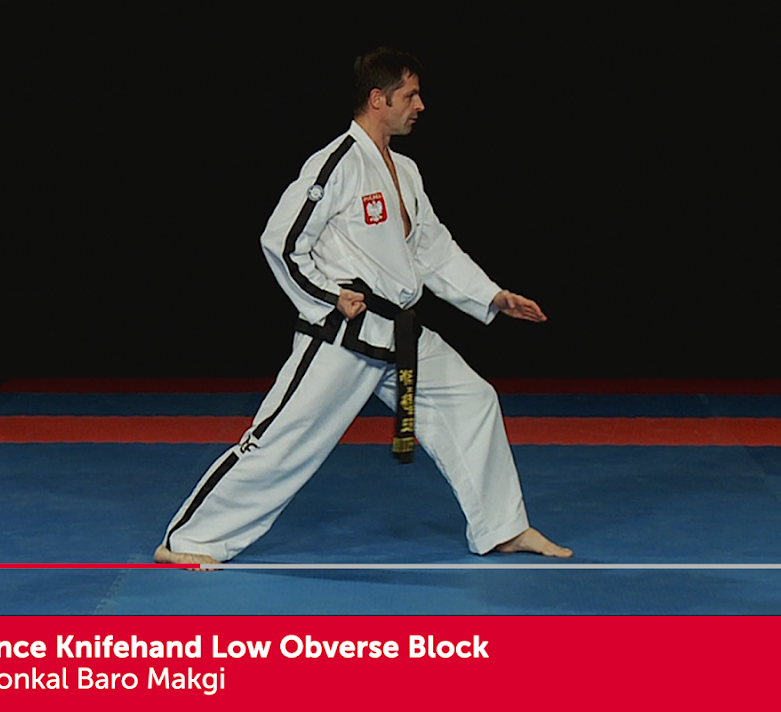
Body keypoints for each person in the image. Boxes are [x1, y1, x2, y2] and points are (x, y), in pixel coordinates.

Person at [155, 48, 571, 564]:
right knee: (284, 438)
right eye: (410, 95)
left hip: (399, 332)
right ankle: (190, 540)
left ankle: (503, 527)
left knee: (473, 399)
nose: (420, 105)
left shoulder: (406, 171)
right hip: (342, 336)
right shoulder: (336, 164)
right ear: (379, 99)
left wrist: (491, 295)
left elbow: (432, 249)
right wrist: (328, 296)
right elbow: (281, 241)